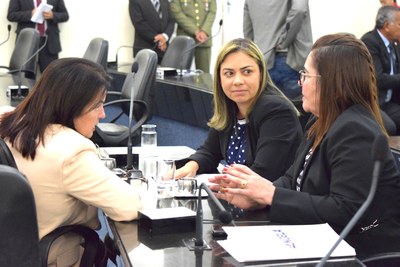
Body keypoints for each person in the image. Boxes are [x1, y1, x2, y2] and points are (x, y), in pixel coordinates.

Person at [209, 34, 400, 259]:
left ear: (331, 82)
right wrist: (256, 193)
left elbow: (344, 209)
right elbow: (292, 179)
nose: (300, 82)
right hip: (318, 242)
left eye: (306, 75)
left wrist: (271, 195)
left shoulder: (356, 130)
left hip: (359, 255)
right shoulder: (320, 119)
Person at [0, 58, 142, 266]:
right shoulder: (71, 150)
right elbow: (129, 207)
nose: (103, 114)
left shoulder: (9, 120)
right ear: (71, 106)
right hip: (52, 257)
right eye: (97, 106)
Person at [175, 38, 303, 181]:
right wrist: (193, 165)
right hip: (238, 197)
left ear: (261, 74)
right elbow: (209, 152)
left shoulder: (277, 112)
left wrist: (221, 184)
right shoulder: (230, 107)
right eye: (229, 73)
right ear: (219, 78)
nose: (237, 81)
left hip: (269, 201)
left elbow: (262, 175)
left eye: (247, 72)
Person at [243, 0, 313, 100]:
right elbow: (299, 9)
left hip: (263, 62)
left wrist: (252, 57)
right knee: (297, 111)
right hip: (290, 59)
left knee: (269, 111)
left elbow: (248, 29)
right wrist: (284, 41)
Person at [361, 6, 400, 135]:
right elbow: (378, 78)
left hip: (389, 101)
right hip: (374, 102)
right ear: (387, 25)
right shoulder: (369, 42)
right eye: (399, 24)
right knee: (390, 126)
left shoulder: (393, 44)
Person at [7, 0, 69, 74]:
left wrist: (53, 15)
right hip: (27, 42)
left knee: (50, 75)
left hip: (49, 42)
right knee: (24, 75)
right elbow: (11, 15)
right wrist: (30, 14)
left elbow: (65, 15)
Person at [169, 0, 217, 73]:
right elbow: (176, 12)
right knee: (181, 74)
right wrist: (195, 31)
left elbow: (212, 12)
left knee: (204, 74)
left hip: (204, 40)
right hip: (184, 39)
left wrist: (204, 31)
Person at [129, 0, 175, 64]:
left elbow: (171, 21)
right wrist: (159, 40)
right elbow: (139, 23)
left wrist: (165, 36)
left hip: (164, 50)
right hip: (145, 49)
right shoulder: (135, 1)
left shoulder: (165, 1)